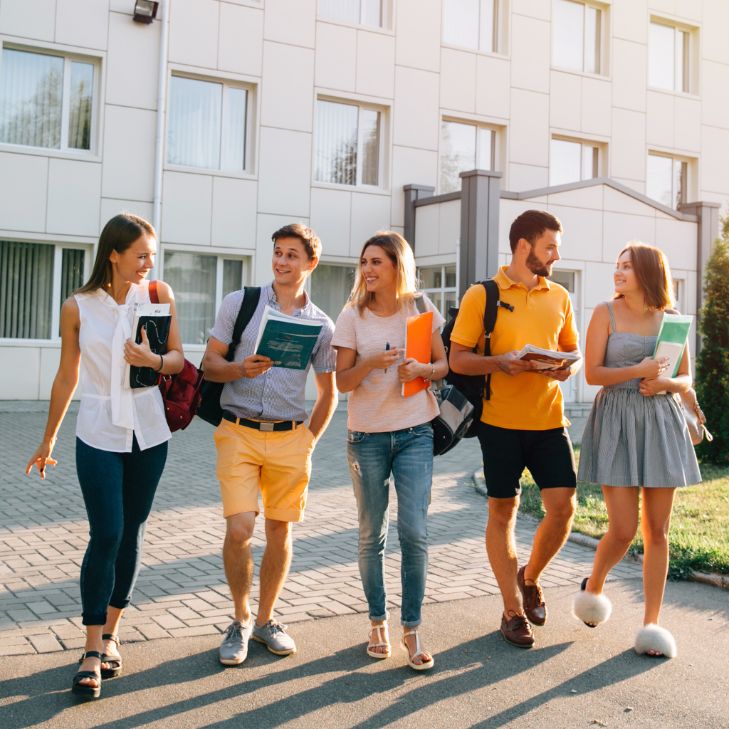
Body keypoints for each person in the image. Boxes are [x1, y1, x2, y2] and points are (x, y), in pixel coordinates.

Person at [25, 213, 184, 700]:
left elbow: (178, 358)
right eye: (140, 254)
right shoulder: (77, 307)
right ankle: (91, 647)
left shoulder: (159, 296)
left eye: (152, 255)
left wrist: (152, 361)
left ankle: (112, 633)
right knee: (107, 531)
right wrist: (48, 438)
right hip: (97, 430)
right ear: (113, 254)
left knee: (132, 531)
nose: (148, 264)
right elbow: (66, 375)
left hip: (150, 431)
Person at [202, 223, 337, 666]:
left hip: (289, 438)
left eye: (291, 255)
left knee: (280, 531)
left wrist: (308, 441)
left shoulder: (321, 324)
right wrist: (241, 370)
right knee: (240, 529)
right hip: (237, 431)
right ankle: (239, 621)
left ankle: (265, 620)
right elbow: (209, 365)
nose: (281, 261)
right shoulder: (239, 304)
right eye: (277, 252)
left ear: (310, 263)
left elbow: (329, 392)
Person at [449, 210, 581, 649]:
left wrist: (562, 368)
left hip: (549, 421)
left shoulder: (559, 296)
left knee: (563, 509)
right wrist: (499, 363)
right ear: (524, 246)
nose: (556, 255)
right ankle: (511, 610)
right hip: (499, 424)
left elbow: (568, 348)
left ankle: (531, 577)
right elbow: (457, 359)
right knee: (502, 513)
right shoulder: (481, 295)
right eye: (550, 247)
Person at [572, 243, 701, 658]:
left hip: (661, 423)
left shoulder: (670, 321)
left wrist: (665, 384)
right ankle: (593, 587)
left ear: (647, 273)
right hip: (617, 420)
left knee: (658, 532)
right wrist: (640, 371)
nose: (618, 272)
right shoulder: (603, 313)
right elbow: (593, 373)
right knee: (624, 528)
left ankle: (651, 624)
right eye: (617, 266)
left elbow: (686, 377)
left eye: (626, 267)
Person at [332, 231, 448, 671]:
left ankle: (412, 627)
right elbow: (341, 382)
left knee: (414, 531)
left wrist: (422, 369)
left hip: (415, 431)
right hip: (367, 436)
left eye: (376, 262)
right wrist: (371, 364)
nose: (367, 270)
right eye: (364, 262)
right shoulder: (352, 315)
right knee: (371, 534)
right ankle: (377, 620)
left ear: (397, 266)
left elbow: (443, 365)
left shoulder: (420, 308)